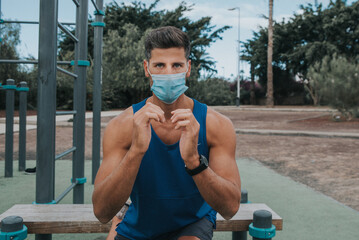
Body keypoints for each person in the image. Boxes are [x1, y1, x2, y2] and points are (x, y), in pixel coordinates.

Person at [92, 26, 241, 240]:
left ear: (188, 68)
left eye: (177, 65)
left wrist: (193, 160)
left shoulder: (217, 125)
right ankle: (124, 215)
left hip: (193, 220)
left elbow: (230, 208)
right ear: (147, 68)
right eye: (160, 65)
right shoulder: (122, 125)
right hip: (141, 222)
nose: (168, 73)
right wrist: (137, 150)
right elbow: (102, 211)